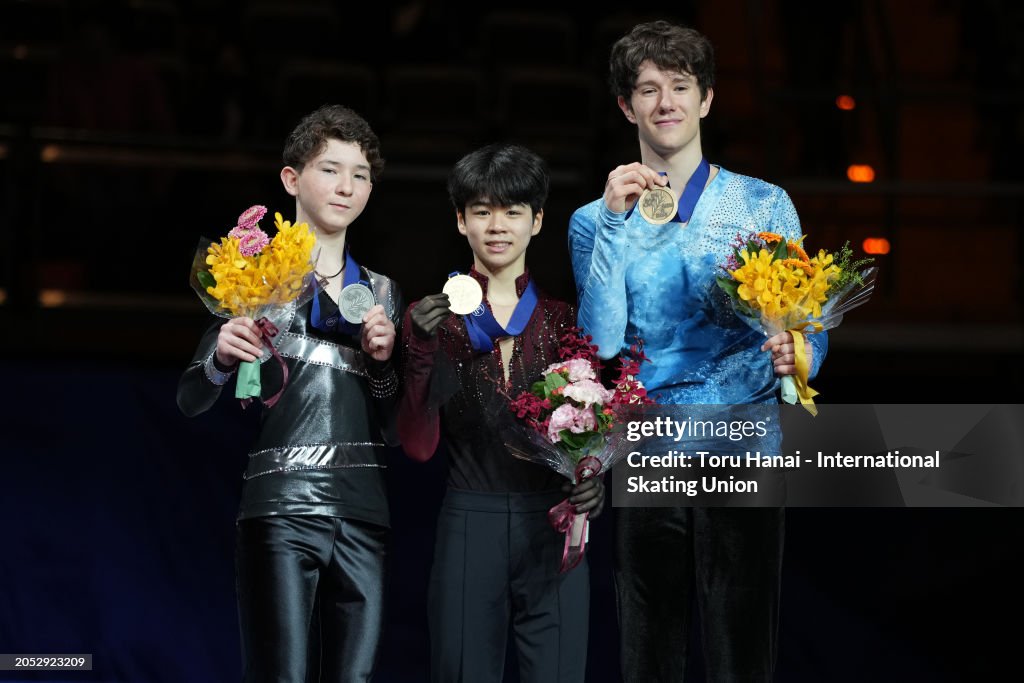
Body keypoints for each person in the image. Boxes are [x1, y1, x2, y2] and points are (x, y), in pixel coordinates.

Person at [568, 21, 829, 682]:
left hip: (743, 443)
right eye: (649, 90)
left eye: (680, 86)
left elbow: (809, 327)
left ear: (706, 99)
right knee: (649, 652)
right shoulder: (593, 219)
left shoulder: (763, 203)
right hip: (647, 448)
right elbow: (599, 339)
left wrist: (798, 356)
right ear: (626, 107)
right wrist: (615, 225)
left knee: (743, 654)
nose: (667, 103)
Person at [177, 104, 402, 683]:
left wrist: (383, 364)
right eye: (330, 169)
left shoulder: (382, 293)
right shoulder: (251, 274)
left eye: (360, 174)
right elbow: (192, 399)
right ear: (291, 179)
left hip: (363, 513)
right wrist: (223, 357)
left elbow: (395, 423)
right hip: (280, 511)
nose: (346, 186)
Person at [398, 143, 604, 683]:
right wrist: (418, 346)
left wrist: (591, 477)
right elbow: (418, 445)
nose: (497, 225)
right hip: (471, 525)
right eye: (482, 210)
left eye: (513, 211)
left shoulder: (565, 321)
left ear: (537, 221)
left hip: (553, 527)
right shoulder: (431, 319)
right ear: (460, 220)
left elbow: (589, 432)